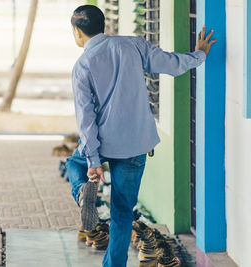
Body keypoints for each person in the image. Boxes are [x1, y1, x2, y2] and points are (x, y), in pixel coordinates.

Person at [66, 5, 216, 267]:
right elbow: (172, 64)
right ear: (103, 26)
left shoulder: (83, 66)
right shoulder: (133, 45)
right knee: (122, 212)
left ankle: (81, 192)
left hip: (103, 143)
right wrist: (199, 54)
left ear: (77, 33)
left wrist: (93, 162)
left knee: (74, 163)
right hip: (135, 144)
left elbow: (86, 119)